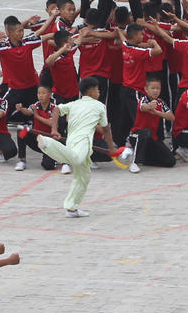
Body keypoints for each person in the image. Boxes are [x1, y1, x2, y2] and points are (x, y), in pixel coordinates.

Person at [36, 77, 123, 218]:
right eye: (97, 89)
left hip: (71, 141)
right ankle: (48, 143)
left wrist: (54, 129)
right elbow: (106, 129)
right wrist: (112, 148)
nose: (99, 92)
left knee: (84, 176)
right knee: (76, 160)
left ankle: (72, 208)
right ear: (91, 91)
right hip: (82, 141)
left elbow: (57, 109)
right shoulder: (100, 106)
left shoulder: (74, 104)